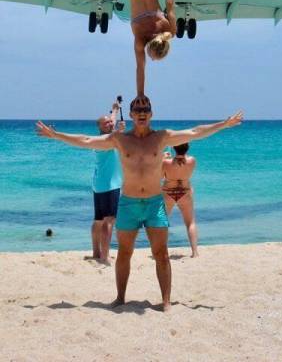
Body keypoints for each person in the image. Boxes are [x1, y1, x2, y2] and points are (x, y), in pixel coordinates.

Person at [36, 96, 243, 312]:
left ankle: (165, 301)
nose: (142, 112)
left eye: (146, 109)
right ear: (133, 114)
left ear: (151, 114)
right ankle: (120, 298)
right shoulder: (120, 139)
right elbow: (86, 141)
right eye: (137, 109)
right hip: (128, 204)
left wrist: (224, 124)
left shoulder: (162, 138)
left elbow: (195, 132)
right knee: (125, 253)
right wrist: (56, 135)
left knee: (161, 253)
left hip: (155, 203)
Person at [92, 101, 125, 263]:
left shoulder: (104, 137)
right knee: (109, 220)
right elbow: (114, 135)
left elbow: (112, 123)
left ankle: (96, 252)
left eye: (110, 122)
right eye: (106, 123)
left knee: (98, 220)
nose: (110, 123)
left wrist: (115, 110)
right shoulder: (106, 139)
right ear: (100, 127)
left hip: (99, 185)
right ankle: (104, 256)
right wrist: (119, 130)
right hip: (109, 186)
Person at [162, 143, 199, 258]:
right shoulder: (192, 160)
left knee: (163, 223)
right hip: (185, 192)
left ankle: (163, 252)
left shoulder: (166, 162)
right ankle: (195, 252)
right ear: (187, 149)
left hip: (169, 192)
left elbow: (159, 176)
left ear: (173, 148)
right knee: (190, 222)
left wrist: (162, 159)